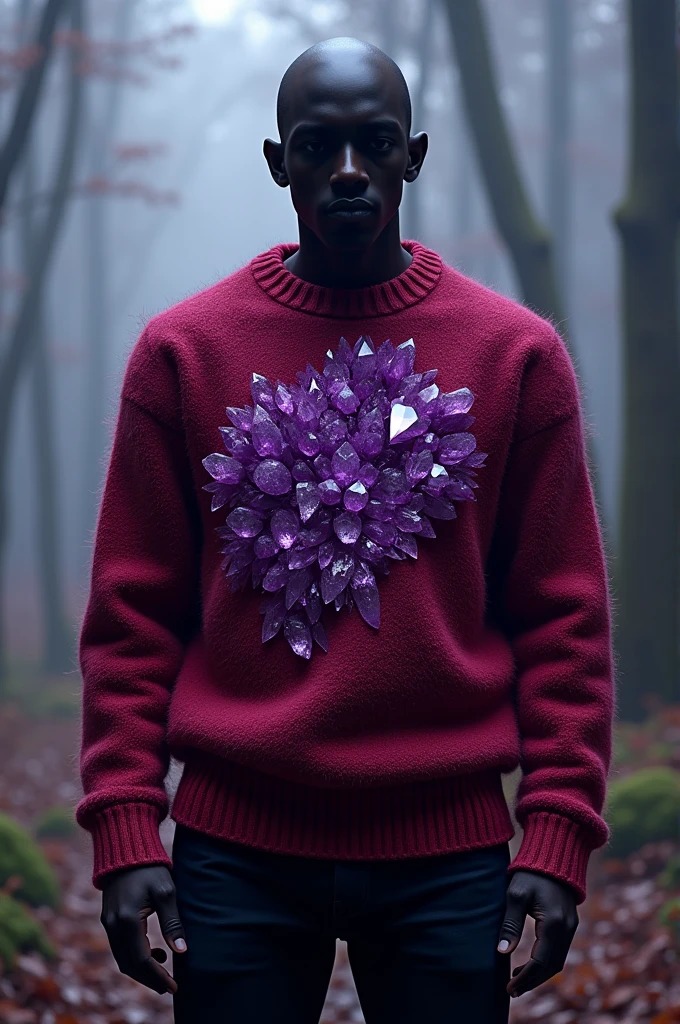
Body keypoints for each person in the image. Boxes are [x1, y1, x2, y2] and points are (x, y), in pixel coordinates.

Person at [76, 36, 615, 1024]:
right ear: (278, 162)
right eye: (318, 147)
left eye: (372, 144)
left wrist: (555, 839)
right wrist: (125, 830)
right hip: (232, 850)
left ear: (413, 154)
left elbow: (562, 622)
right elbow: (132, 617)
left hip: (446, 853)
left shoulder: (514, 357)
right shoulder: (182, 355)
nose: (348, 173)